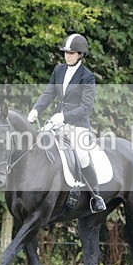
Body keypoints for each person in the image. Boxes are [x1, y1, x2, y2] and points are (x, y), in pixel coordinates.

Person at [27, 34, 106, 212]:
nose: (67, 56)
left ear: (80, 54)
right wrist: (36, 110)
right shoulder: (59, 70)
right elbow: (49, 93)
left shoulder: (87, 77)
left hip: (77, 124)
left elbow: (86, 108)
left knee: (82, 155)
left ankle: (96, 195)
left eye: (71, 53)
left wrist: (64, 117)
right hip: (56, 122)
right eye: (65, 52)